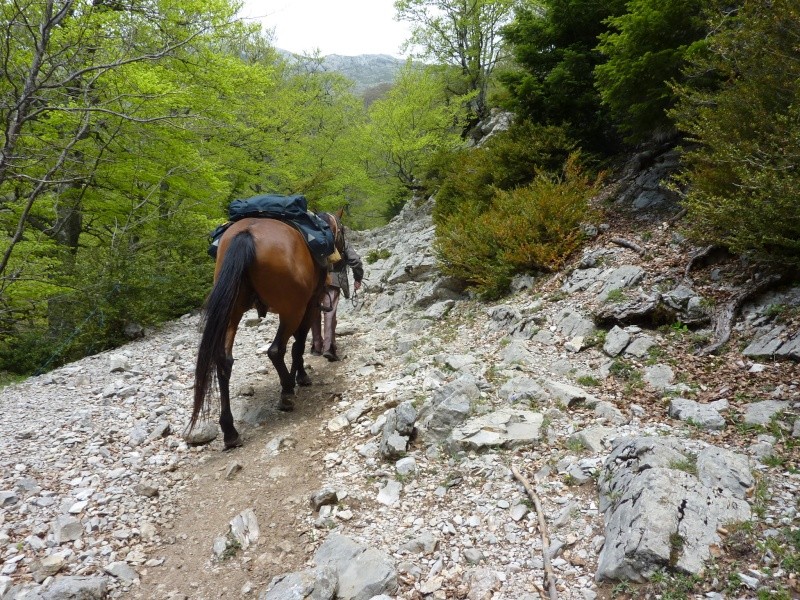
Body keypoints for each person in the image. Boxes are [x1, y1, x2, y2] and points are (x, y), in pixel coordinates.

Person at [311, 215, 364, 362]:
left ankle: (316, 346)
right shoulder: (340, 242)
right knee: (330, 313)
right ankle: (329, 348)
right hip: (334, 281)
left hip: (315, 280)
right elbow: (355, 261)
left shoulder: (313, 241)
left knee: (314, 311)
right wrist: (358, 278)